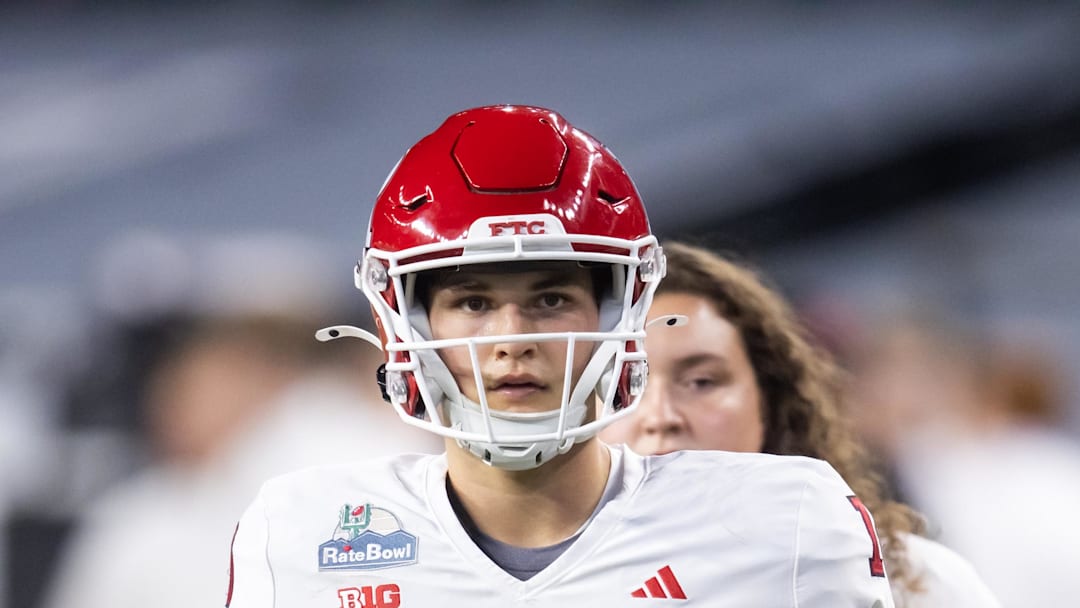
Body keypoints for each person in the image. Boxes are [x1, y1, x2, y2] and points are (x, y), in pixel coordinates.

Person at [227, 105, 895, 607]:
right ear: (407, 320)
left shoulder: (786, 523)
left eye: (550, 300)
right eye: (474, 303)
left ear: (620, 310)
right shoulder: (301, 537)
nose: (512, 338)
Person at [600, 241, 1001, 608]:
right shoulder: (552, 593)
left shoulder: (913, 583)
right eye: (624, 384)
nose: (660, 416)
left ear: (770, 400)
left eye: (702, 382)